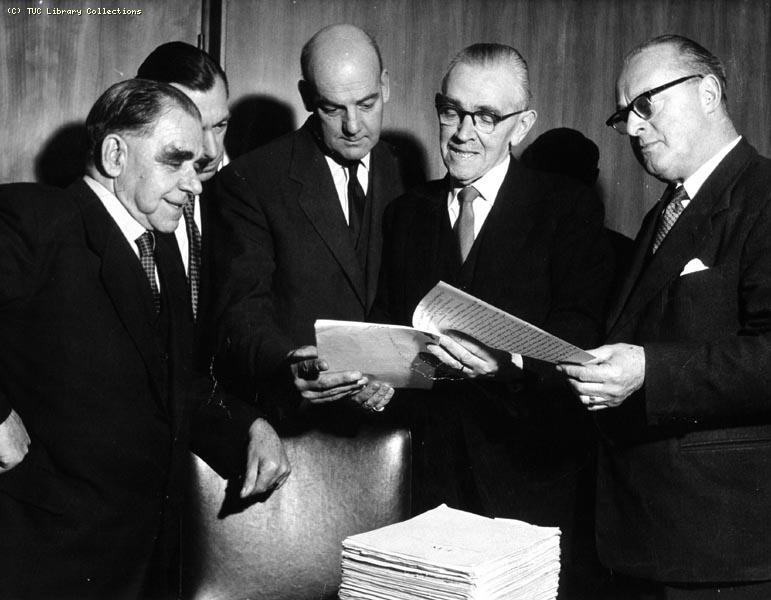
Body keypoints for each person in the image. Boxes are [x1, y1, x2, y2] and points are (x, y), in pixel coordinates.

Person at [0, 79, 289, 599]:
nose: (195, 184)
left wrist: (250, 428)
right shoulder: (37, 218)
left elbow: (173, 386)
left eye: (197, 165)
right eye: (174, 161)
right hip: (44, 563)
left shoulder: (160, 253)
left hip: (145, 565)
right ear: (115, 154)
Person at [373, 43, 613, 597]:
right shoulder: (406, 214)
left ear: (521, 125)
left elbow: (581, 335)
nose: (462, 131)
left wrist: (507, 364)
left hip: (529, 480)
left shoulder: (567, 208)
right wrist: (370, 372)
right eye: (451, 110)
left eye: (485, 117)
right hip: (427, 479)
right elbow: (388, 321)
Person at [558, 34, 771, 598]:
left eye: (645, 104)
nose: (631, 128)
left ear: (708, 93)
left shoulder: (765, 197)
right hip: (643, 540)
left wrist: (650, 370)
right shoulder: (664, 214)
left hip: (722, 548)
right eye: (624, 114)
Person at [211, 24, 404, 416]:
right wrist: (289, 365)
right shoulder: (251, 181)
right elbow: (242, 313)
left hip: (394, 425)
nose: (353, 126)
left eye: (367, 104)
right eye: (333, 109)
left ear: (385, 85)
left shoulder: (402, 169)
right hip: (299, 423)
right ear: (306, 97)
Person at [137, 41, 230, 368]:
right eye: (194, 128)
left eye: (220, 126)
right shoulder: (130, 200)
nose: (210, 149)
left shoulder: (248, 194)